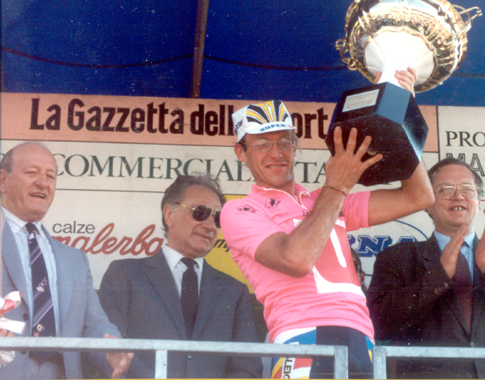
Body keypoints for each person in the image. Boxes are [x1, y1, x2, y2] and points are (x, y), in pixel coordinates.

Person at [221, 70, 435, 379]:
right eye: (262, 144)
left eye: (285, 141)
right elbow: (296, 260)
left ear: (296, 146)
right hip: (301, 335)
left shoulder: (327, 198)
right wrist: (336, 187)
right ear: (240, 152)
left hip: (361, 335)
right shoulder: (239, 209)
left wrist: (400, 116)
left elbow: (419, 196)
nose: (277, 153)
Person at [367, 157, 485, 379]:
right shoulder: (397, 258)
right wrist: (438, 276)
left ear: (478, 201)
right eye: (445, 189)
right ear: (428, 204)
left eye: (467, 189)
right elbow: (380, 324)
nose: (458, 196)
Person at [98, 173, 262, 378]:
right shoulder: (124, 274)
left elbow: (247, 367)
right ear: (169, 215)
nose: (211, 226)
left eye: (218, 218)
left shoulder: (234, 291)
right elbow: (111, 349)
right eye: (200, 212)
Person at [0, 142, 133, 379]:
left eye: (50, 176)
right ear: (2, 181)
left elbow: (94, 325)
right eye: (32, 173)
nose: (43, 183)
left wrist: (112, 351)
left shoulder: (75, 260)